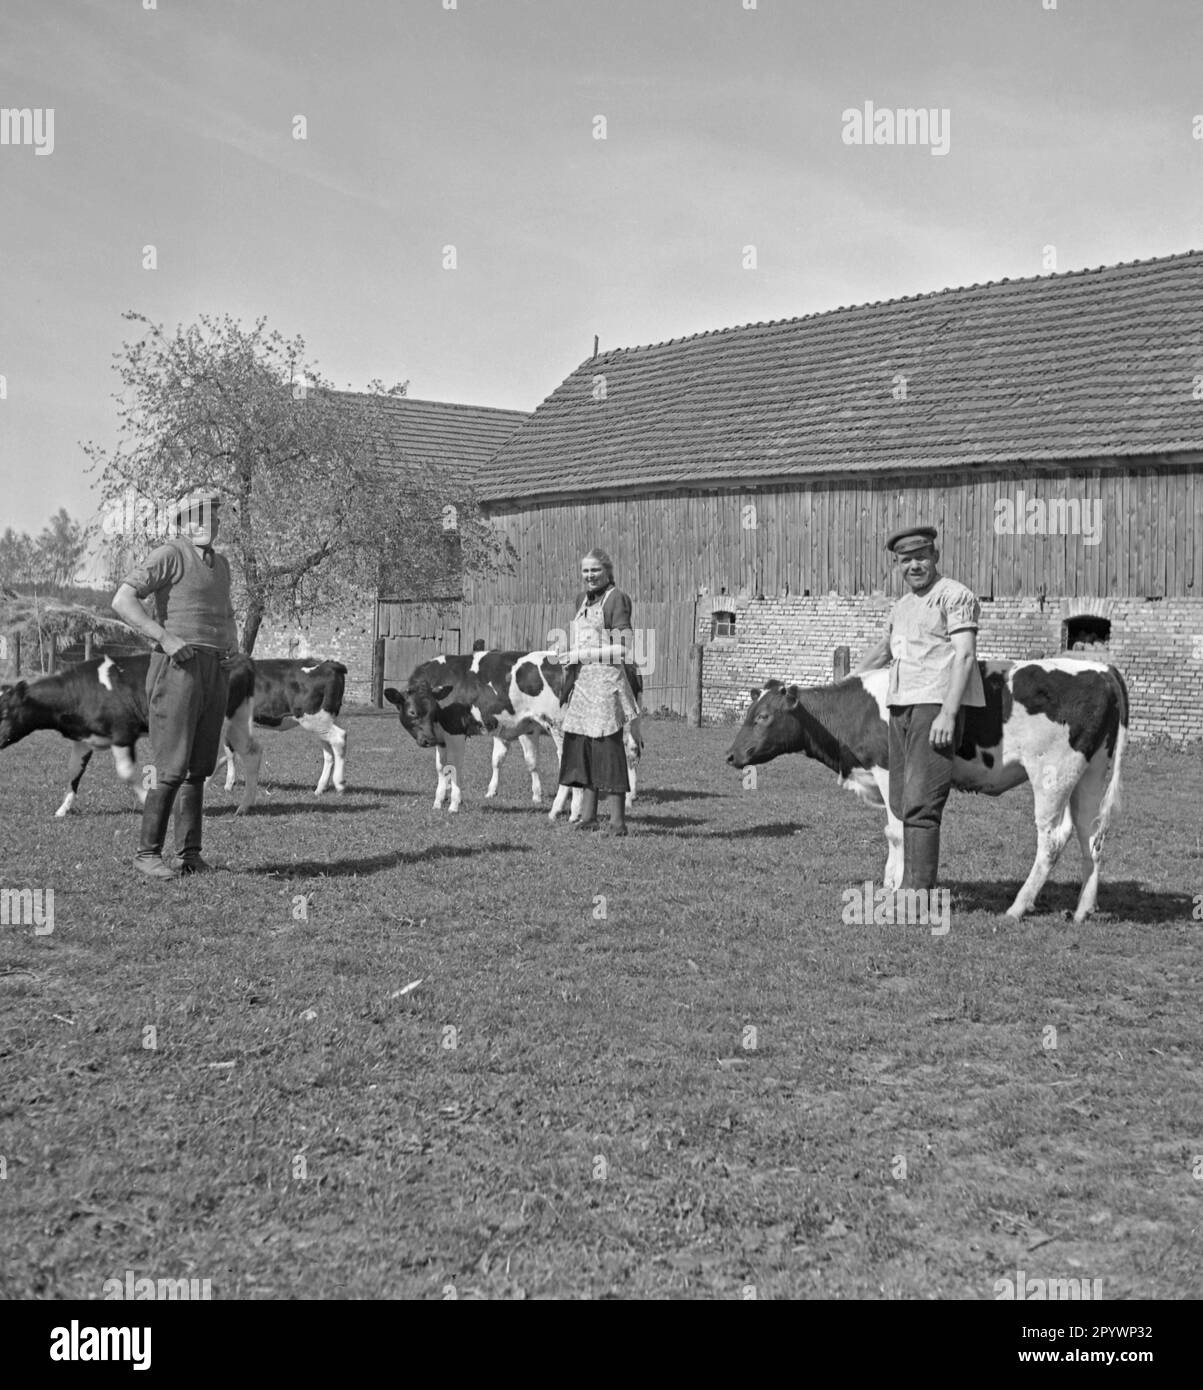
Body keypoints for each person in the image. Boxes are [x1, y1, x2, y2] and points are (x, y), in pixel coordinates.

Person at [111, 488, 240, 878]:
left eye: (214, 515)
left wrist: (231, 645)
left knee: (199, 767)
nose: (208, 522)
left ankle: (190, 855)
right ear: (182, 522)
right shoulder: (169, 554)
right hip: (177, 667)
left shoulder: (223, 564)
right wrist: (163, 637)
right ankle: (147, 854)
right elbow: (122, 600)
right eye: (198, 515)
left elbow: (227, 612)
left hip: (214, 669)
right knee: (171, 766)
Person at [855, 525, 985, 890]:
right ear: (898, 565)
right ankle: (908, 883)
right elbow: (884, 651)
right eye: (905, 560)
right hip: (900, 707)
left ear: (935, 557)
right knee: (900, 800)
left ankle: (918, 895)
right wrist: (847, 685)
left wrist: (948, 713)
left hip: (934, 705)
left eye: (921, 557)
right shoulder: (902, 606)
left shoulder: (954, 596)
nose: (914, 565)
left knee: (922, 803)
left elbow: (965, 654)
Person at [552, 548, 639, 835]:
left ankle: (617, 822)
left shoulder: (617, 599)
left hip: (606, 683)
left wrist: (583, 654)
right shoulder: (581, 601)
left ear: (608, 571)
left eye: (595, 570)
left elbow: (623, 648)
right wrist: (568, 653)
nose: (589, 576)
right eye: (585, 571)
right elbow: (582, 642)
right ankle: (588, 816)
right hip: (583, 682)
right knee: (584, 747)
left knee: (608, 748)